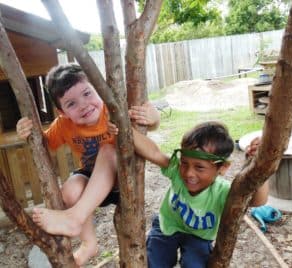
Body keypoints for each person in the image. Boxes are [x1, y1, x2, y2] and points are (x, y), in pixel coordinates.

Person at [16, 63, 160, 266]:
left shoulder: (112, 110)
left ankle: (74, 217)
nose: (83, 105)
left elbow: (148, 116)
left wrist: (153, 118)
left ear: (99, 91)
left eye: (87, 93)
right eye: (71, 104)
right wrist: (28, 132)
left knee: (108, 150)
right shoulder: (64, 125)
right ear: (61, 112)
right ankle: (88, 244)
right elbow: (44, 145)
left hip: (123, 178)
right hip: (94, 179)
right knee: (69, 190)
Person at [132, 121, 269, 268]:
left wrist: (259, 164)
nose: (189, 173)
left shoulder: (223, 191)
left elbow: (258, 201)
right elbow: (154, 153)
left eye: (199, 167)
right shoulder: (177, 171)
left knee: (195, 265)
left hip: (198, 236)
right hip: (168, 225)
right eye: (184, 163)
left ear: (222, 167)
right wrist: (126, 128)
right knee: (155, 263)